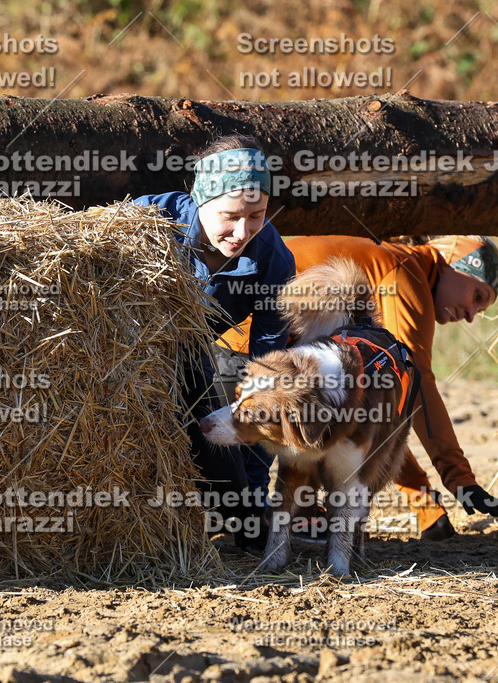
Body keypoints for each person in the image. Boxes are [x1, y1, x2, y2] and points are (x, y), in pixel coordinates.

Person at [218, 234, 498, 541]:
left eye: (482, 310)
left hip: (236, 340)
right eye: (477, 296)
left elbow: (372, 418)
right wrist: (460, 479)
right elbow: (416, 384)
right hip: (251, 347)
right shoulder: (405, 271)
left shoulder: (384, 261)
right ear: (450, 261)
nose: (471, 315)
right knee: (261, 456)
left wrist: (426, 504)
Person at [134, 135, 294, 548]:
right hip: (128, 355)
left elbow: (267, 376)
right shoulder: (148, 220)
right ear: (200, 198)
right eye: (229, 216)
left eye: (257, 215)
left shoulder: (273, 258)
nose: (242, 232)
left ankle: (238, 514)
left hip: (194, 358)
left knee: (246, 521)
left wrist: (255, 490)